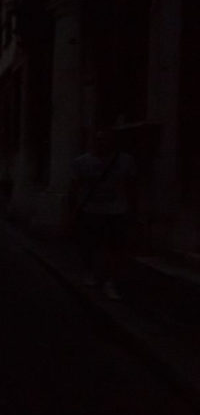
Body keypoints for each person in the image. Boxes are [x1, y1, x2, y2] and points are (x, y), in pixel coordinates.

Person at [70, 129, 137, 300]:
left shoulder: (125, 161)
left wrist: (133, 209)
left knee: (114, 247)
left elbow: (131, 186)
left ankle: (109, 280)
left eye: (106, 140)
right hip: (91, 209)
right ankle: (91, 271)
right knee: (89, 245)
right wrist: (73, 209)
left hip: (116, 210)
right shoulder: (82, 162)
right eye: (99, 140)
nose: (102, 143)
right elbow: (75, 187)